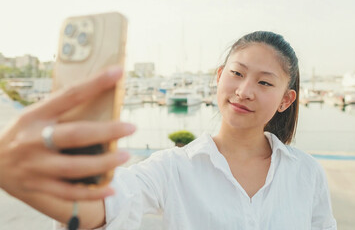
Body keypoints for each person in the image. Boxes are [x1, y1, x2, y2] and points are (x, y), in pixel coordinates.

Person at [0, 31, 337, 229]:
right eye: (237, 73)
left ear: (285, 99)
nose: (245, 90)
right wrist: (14, 174)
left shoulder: (306, 173)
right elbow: (104, 207)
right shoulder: (174, 167)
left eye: (264, 82)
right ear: (219, 75)